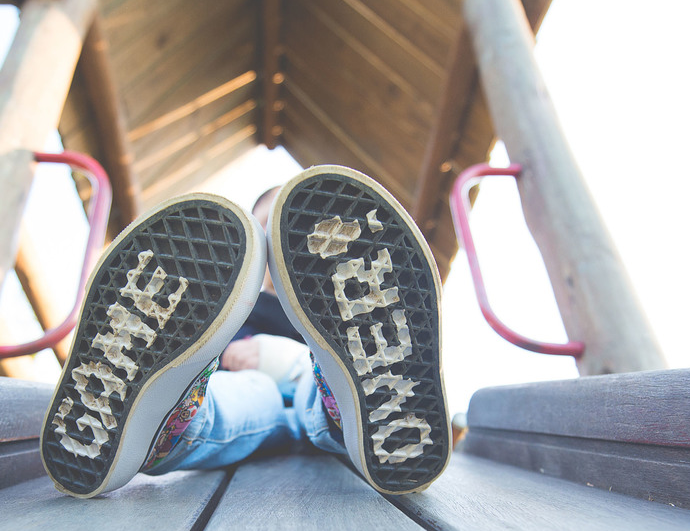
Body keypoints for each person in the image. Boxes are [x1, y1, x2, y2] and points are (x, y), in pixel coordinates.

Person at [39, 165, 450, 498]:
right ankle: (162, 429)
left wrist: (278, 355)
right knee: (254, 393)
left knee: (309, 379)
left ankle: (359, 408)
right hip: (257, 401)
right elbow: (221, 352)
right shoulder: (229, 304)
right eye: (270, 229)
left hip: (309, 387)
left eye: (289, 228)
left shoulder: (324, 302)